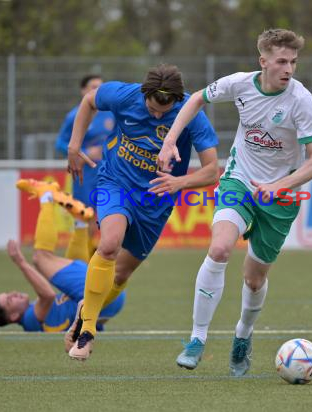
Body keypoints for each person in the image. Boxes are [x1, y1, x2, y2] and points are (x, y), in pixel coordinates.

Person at [158, 28, 312, 376]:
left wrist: (279, 186)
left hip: (281, 197)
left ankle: (242, 336)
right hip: (240, 180)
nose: (289, 69)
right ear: (263, 61)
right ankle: (196, 339)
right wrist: (170, 140)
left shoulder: (301, 101)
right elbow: (195, 99)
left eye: (293, 62)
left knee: (253, 279)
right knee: (219, 249)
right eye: (282, 61)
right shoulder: (239, 84)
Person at [65, 64, 219, 360]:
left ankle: (85, 310)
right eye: (152, 109)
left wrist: (180, 182)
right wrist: (74, 146)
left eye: (165, 112)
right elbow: (88, 102)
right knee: (109, 244)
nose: (158, 116)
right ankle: (87, 332)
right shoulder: (124, 95)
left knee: (121, 273)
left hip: (156, 200)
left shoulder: (192, 114)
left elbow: (212, 170)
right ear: (144, 94)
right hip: (115, 181)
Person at [0, 179, 125, 335]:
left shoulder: (40, 315)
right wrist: (20, 261)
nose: (13, 293)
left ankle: (81, 223)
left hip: (105, 301)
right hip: (101, 297)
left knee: (72, 267)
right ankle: (46, 196)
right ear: (13, 316)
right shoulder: (30, 321)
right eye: (10, 300)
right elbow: (48, 295)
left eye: (9, 293)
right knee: (40, 258)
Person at [56, 75, 115, 261]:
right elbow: (60, 144)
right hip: (85, 176)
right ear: (83, 91)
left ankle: (102, 256)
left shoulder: (112, 113)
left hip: (110, 173)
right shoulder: (74, 116)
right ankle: (83, 260)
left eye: (101, 87)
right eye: (93, 87)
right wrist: (85, 151)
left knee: (110, 216)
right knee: (86, 218)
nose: (98, 91)